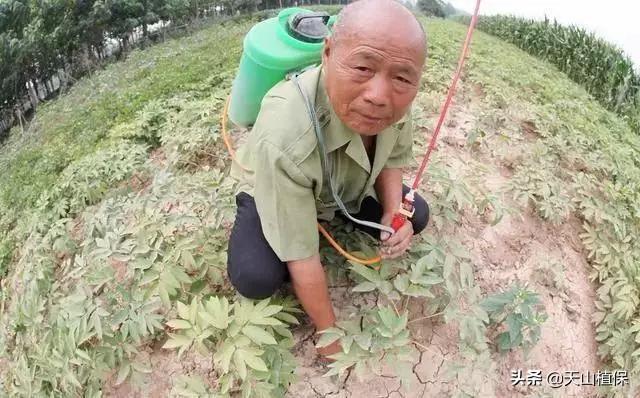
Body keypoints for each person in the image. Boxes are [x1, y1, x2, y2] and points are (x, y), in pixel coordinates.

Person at [227, 0, 429, 359]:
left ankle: (344, 215)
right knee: (255, 276)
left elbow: (393, 157)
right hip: (274, 183)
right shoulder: (285, 133)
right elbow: (302, 256)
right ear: (328, 52)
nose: (379, 97)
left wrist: (392, 211)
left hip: (347, 181)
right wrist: (330, 336)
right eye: (363, 67)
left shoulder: (397, 102)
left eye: (401, 77)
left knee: (418, 214)